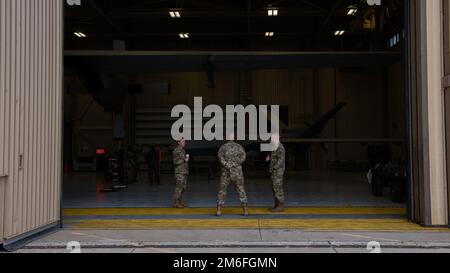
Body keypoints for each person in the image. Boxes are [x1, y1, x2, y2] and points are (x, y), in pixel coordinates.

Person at [216, 133, 249, 217]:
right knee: (241, 189)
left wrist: (226, 164)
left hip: (226, 171)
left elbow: (220, 157)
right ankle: (245, 210)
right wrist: (236, 164)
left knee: (222, 190)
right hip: (237, 171)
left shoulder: (223, 147)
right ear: (234, 138)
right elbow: (243, 156)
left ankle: (219, 210)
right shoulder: (239, 147)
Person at [266, 133, 286, 212]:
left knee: (278, 188)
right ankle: (276, 205)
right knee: (274, 188)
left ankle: (281, 205)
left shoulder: (280, 146)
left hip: (278, 171)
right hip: (274, 171)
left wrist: (275, 167)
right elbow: (275, 157)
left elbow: (281, 159)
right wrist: (270, 158)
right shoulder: (275, 146)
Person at [173, 138, 189, 209]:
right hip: (179, 172)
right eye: (182, 141)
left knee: (183, 188)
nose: (184, 143)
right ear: (178, 142)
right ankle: (176, 203)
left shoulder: (183, 150)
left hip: (184, 171)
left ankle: (180, 201)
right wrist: (184, 160)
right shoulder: (176, 150)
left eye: (184, 141)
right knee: (179, 187)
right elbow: (175, 162)